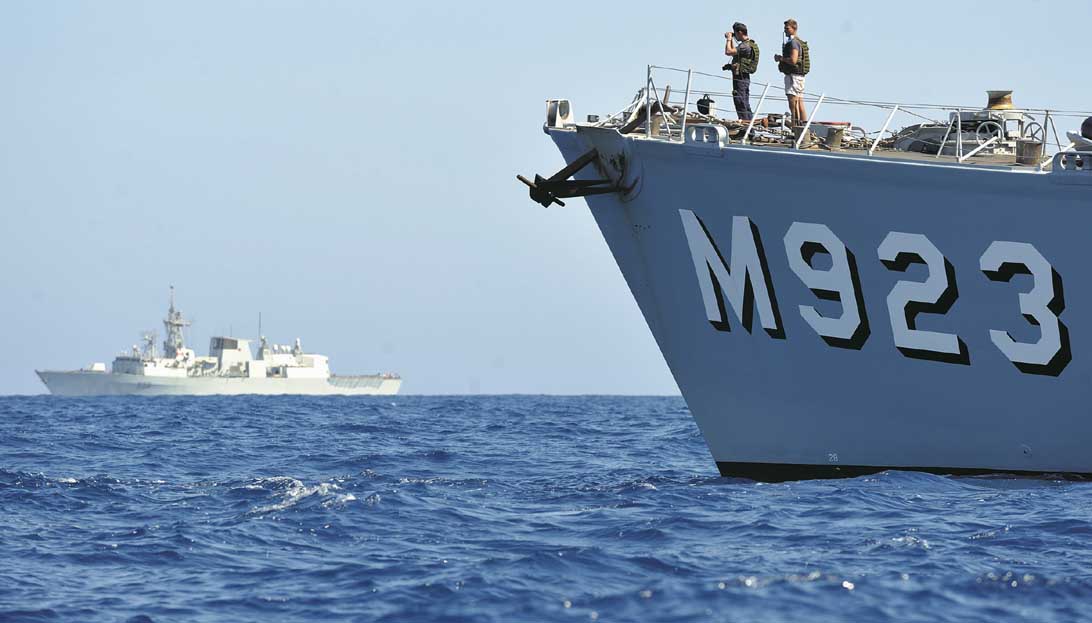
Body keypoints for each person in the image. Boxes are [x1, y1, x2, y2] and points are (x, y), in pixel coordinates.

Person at [722, 22, 758, 121]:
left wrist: (729, 38)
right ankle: (748, 127)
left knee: (740, 101)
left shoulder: (745, 46)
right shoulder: (747, 45)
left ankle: (745, 128)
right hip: (743, 77)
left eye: (735, 33)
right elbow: (734, 52)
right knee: (744, 102)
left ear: (740, 32)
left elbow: (728, 51)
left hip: (741, 77)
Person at [774, 18, 807, 127]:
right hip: (798, 76)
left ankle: (796, 126)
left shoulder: (793, 43)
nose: (785, 30)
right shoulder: (797, 41)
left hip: (793, 76)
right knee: (799, 101)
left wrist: (781, 58)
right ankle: (803, 125)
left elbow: (793, 60)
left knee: (793, 102)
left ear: (794, 28)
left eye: (787, 28)